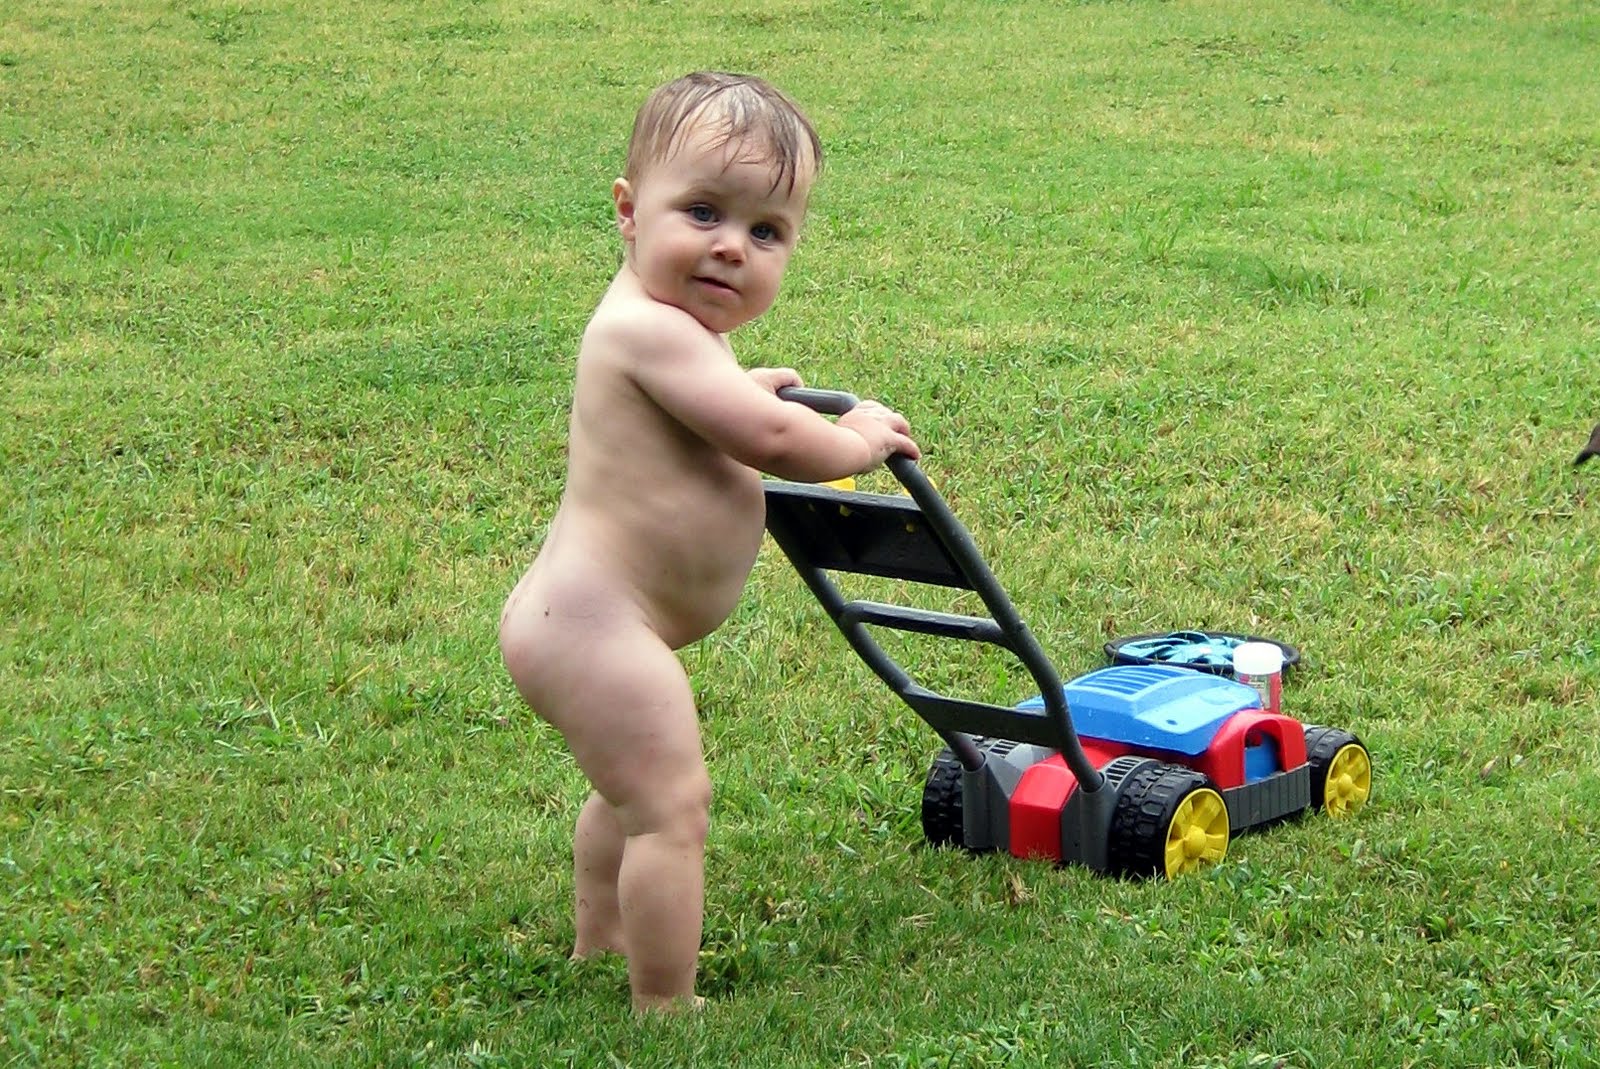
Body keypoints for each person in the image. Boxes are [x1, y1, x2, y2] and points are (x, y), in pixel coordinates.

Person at [497, 71, 920, 1014]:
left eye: (767, 231)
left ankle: (601, 941)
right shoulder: (651, 330)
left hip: (587, 621)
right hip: (595, 627)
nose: (732, 245)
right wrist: (855, 442)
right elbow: (768, 439)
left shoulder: (675, 325)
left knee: (630, 794)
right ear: (628, 211)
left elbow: (709, 410)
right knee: (671, 806)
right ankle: (664, 1003)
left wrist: (741, 382)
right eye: (702, 212)